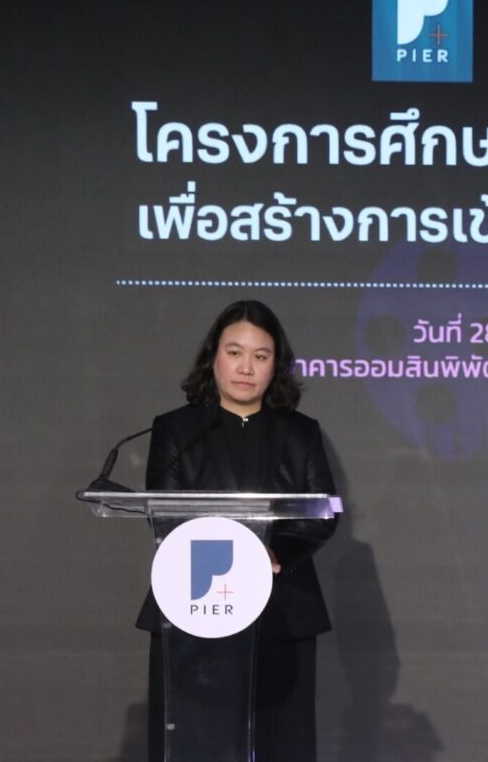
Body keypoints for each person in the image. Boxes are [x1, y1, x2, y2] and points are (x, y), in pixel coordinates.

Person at [136, 300, 338, 762]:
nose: (246, 367)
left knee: (279, 744)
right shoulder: (176, 429)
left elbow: (322, 513)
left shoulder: (301, 432)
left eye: (260, 356)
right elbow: (164, 512)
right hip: (192, 605)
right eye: (235, 352)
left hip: (281, 611)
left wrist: (271, 554)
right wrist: (237, 554)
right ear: (214, 358)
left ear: (275, 366)